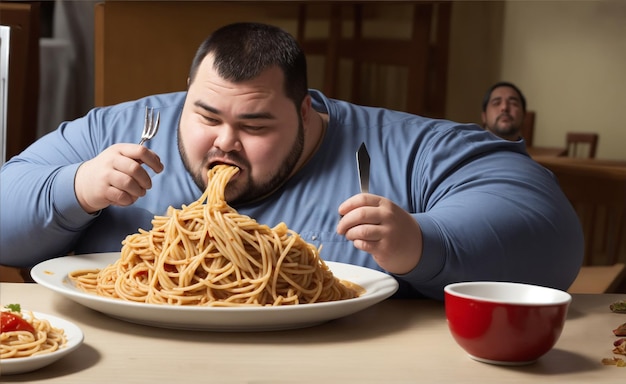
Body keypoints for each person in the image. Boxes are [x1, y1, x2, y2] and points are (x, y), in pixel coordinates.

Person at [0, 22, 583, 300]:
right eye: (205, 116)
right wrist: (72, 188)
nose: (224, 144)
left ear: (307, 113)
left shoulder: (405, 149)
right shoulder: (120, 129)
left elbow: (549, 231)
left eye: (255, 125)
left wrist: (423, 243)